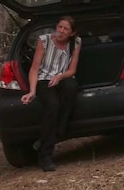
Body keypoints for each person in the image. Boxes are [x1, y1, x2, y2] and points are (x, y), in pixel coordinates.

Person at [21, 16, 81, 172]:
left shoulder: (76, 43)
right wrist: (32, 91)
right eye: (59, 27)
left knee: (72, 86)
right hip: (43, 80)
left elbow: (72, 70)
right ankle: (45, 156)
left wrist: (60, 76)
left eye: (65, 29)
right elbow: (34, 69)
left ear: (72, 33)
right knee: (53, 105)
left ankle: (54, 135)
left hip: (62, 78)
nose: (61, 31)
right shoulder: (45, 40)